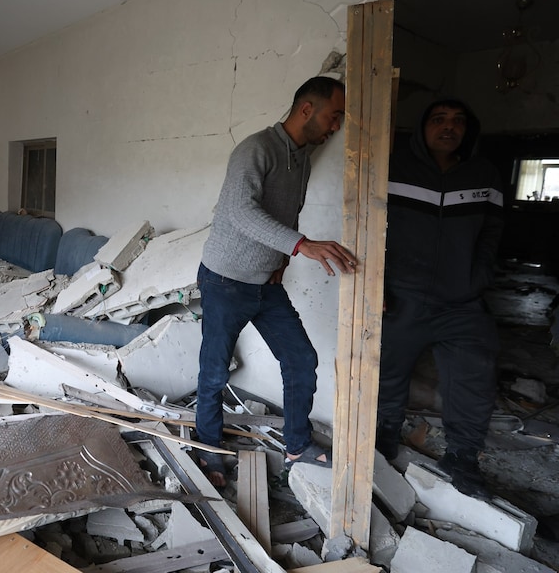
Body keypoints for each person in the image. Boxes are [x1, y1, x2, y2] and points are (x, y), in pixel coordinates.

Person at [195, 76, 358, 487]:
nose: (336, 127)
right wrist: (302, 245)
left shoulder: (301, 156)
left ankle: (297, 445)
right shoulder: (256, 149)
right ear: (307, 110)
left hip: (267, 285)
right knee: (214, 373)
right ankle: (209, 451)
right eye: (333, 116)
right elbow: (239, 212)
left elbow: (287, 213)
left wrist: (284, 256)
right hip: (225, 281)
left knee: (301, 359)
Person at [375, 99, 504, 499]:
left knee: (474, 377)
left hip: (462, 301)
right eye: (439, 120)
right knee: (386, 373)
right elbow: (371, 224)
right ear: (422, 127)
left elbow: (493, 233)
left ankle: (463, 457)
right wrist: (377, 284)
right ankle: (382, 439)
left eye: (458, 121)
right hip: (403, 295)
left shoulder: (485, 175)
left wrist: (479, 276)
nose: (449, 128)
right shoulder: (394, 168)